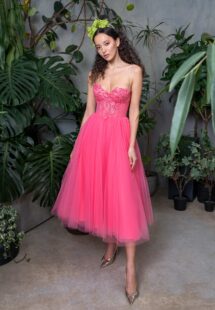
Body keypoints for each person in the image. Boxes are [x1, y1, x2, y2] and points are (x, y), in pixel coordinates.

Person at [51, 19, 154, 305]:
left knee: (125, 199)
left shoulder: (134, 71)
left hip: (120, 138)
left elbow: (134, 112)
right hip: (94, 138)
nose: (104, 50)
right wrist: (77, 145)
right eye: (98, 46)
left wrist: (131, 145)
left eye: (107, 43)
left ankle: (131, 269)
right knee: (103, 193)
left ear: (118, 41)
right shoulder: (94, 73)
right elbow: (88, 112)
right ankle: (110, 243)